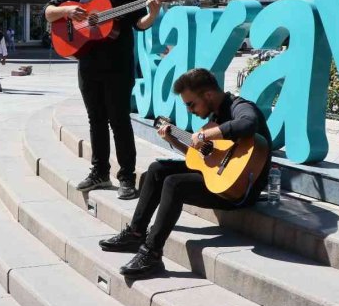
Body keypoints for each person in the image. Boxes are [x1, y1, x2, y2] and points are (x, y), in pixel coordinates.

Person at [98, 68, 272, 276]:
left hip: (238, 190)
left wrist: (208, 134)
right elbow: (200, 158)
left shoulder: (240, 107)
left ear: (208, 95)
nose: (190, 110)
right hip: (218, 178)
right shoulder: (215, 116)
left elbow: (248, 123)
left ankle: (151, 254)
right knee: (157, 169)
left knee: (174, 183)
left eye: (191, 103)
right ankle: (135, 233)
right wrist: (173, 139)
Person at [45, 0, 161, 200]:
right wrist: (66, 12)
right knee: (95, 120)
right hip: (88, 66)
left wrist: (152, 13)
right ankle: (99, 172)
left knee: (119, 122)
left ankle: (127, 178)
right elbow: (48, 11)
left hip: (119, 67)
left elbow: (139, 24)